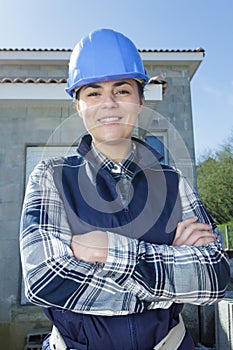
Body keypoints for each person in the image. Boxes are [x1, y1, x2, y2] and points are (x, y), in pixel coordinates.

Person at [20, 28, 230, 350]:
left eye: (121, 91)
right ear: (78, 105)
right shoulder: (51, 176)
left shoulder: (174, 182)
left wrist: (110, 251)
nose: (109, 104)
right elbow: (47, 279)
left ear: (140, 100)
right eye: (93, 93)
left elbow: (214, 276)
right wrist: (171, 268)